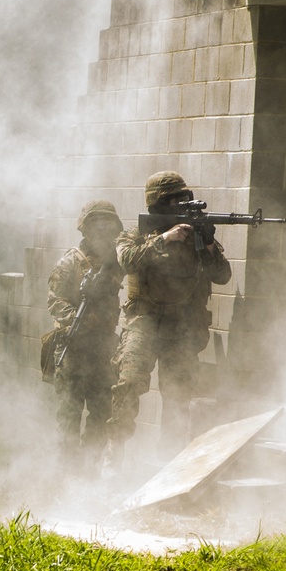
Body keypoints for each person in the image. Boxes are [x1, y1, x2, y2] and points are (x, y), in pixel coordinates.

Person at [103, 171, 231, 479]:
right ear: (158, 205)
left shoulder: (196, 238)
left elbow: (223, 275)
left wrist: (209, 244)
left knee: (178, 394)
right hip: (143, 322)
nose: (184, 204)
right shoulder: (135, 235)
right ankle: (114, 456)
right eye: (176, 199)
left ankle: (170, 462)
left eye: (185, 198)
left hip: (182, 326)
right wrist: (165, 238)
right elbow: (128, 260)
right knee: (128, 385)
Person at [47, 199, 125, 474]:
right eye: (98, 226)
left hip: (103, 350)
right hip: (74, 350)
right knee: (69, 416)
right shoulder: (69, 264)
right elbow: (56, 302)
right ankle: (66, 475)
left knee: (102, 413)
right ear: (86, 229)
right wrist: (79, 321)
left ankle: (88, 472)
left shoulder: (116, 261)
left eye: (109, 226)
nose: (104, 232)